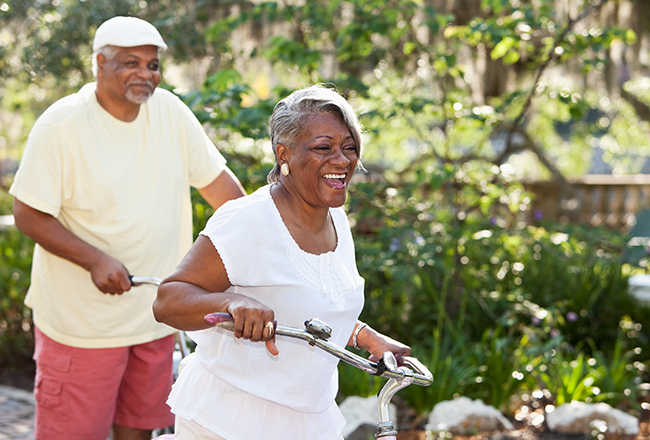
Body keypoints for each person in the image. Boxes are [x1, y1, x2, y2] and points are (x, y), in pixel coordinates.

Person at [9, 16, 246, 440]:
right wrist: (94, 259)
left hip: (155, 317)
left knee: (138, 431)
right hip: (82, 326)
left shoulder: (171, 112)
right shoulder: (61, 125)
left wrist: (260, 252)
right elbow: (28, 214)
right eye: (130, 62)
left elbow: (227, 197)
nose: (145, 74)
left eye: (152, 65)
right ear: (99, 64)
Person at [152, 84, 411, 440]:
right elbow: (168, 300)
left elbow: (307, 302)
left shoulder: (335, 219)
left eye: (349, 148)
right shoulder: (247, 220)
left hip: (309, 419)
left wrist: (365, 336)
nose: (342, 160)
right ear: (284, 154)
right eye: (324, 148)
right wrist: (232, 301)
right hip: (228, 419)